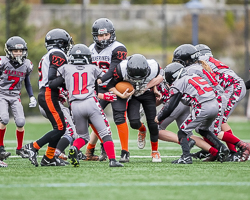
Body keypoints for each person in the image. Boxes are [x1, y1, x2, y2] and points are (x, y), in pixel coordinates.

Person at [49, 43, 124, 167]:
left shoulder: (65, 68)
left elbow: (53, 83)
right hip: (90, 102)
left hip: (75, 105)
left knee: (83, 136)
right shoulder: (92, 68)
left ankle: (74, 148)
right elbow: (98, 85)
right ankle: (112, 160)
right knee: (105, 133)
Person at [155, 62, 229, 164]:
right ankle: (222, 148)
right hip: (215, 104)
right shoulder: (193, 76)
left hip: (202, 107)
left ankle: (186, 157)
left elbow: (171, 106)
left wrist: (159, 117)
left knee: (182, 132)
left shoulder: (179, 82)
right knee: (202, 130)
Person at [24, 28, 73, 167]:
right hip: (48, 93)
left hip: (48, 93)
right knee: (60, 128)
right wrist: (67, 79)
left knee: (58, 128)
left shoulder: (50, 54)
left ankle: (49, 158)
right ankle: (33, 146)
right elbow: (52, 79)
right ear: (61, 42)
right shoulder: (58, 53)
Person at [194, 44, 250, 162]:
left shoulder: (202, 64)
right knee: (216, 122)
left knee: (220, 122)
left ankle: (236, 150)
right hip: (231, 88)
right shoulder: (210, 61)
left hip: (232, 88)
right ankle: (218, 148)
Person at [86, 18, 129, 163]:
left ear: (112, 34)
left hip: (116, 85)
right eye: (100, 35)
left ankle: (125, 151)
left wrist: (100, 79)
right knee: (92, 116)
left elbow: (114, 68)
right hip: (98, 88)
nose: (104, 38)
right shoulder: (90, 49)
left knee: (119, 117)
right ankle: (101, 144)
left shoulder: (119, 48)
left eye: (106, 35)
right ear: (95, 36)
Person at [106, 54, 163, 162]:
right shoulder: (120, 69)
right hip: (133, 95)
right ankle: (142, 129)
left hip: (147, 93)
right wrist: (122, 95)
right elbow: (110, 86)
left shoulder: (154, 66)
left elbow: (160, 76)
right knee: (134, 122)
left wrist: (154, 88)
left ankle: (155, 151)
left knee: (153, 123)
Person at [0, 36, 37, 161]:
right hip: (2, 94)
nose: (18, 53)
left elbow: (27, 82)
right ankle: (0, 147)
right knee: (4, 119)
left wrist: (32, 96)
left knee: (21, 122)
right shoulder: (3, 62)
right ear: (9, 51)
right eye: (15, 51)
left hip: (15, 96)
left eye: (20, 51)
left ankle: (20, 148)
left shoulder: (26, 64)